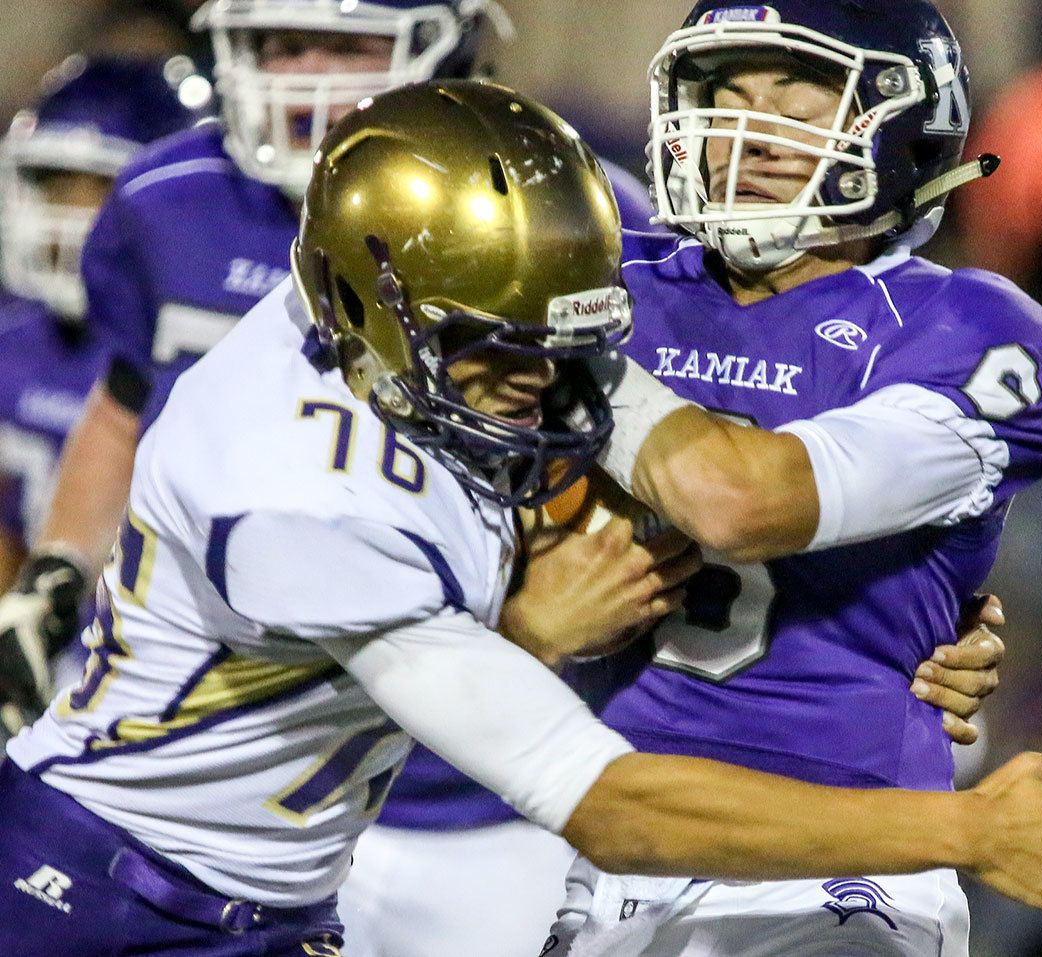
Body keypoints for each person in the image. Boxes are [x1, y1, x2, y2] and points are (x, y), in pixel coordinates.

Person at [0, 81, 1042, 957]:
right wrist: (969, 832)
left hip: (270, 896)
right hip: (115, 898)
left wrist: (903, 610)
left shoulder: (387, 317)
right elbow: (612, 808)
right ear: (374, 307)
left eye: (565, 346)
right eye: (502, 354)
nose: (545, 388)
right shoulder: (295, 497)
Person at [0, 3, 650, 953]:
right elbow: (123, 400)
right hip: (238, 761)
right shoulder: (167, 200)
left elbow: (649, 455)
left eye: (341, 44)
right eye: (280, 43)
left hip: (472, 795)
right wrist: (58, 565)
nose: (304, 75)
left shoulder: (567, 220)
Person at [537, 1, 1042, 953]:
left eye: (795, 105)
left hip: (848, 854)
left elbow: (743, 501)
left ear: (899, 128)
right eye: (725, 99)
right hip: (615, 838)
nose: (742, 135)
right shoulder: (611, 281)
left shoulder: (971, 328)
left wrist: (556, 348)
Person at [0, 55, 205, 737]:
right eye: (57, 186)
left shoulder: (195, 341)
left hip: (173, 672)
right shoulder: (13, 344)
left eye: (100, 190)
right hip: (42, 646)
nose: (72, 216)